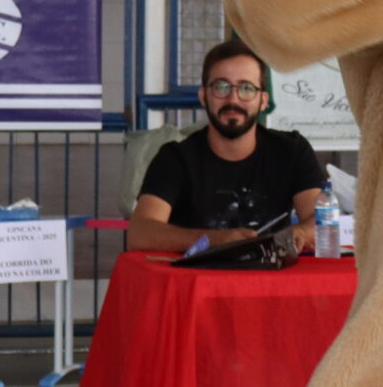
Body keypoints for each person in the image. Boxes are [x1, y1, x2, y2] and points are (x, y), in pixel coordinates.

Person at [128, 38, 326, 253]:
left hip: (273, 273)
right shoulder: (175, 158)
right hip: (197, 275)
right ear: (204, 96)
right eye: (221, 87)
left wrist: (301, 232)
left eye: (246, 88)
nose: (233, 99)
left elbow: (322, 220)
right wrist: (216, 239)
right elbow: (140, 234)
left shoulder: (291, 151)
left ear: (263, 100)